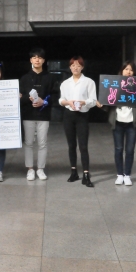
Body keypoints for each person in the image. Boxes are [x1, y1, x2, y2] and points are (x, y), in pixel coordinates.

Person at [96, 61, 136, 185]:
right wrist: (101, 105)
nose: (128, 72)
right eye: (126, 69)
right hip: (117, 122)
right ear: (122, 71)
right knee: (118, 149)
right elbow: (108, 103)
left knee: (130, 149)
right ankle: (119, 174)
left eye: (131, 70)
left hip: (133, 122)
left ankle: (127, 174)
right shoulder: (115, 84)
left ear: (134, 73)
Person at [59, 56, 97, 187]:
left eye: (78, 65)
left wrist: (84, 102)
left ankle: (86, 174)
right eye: (73, 65)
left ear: (82, 67)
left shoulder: (89, 82)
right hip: (69, 115)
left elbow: (93, 100)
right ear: (70, 67)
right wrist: (68, 102)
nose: (76, 67)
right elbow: (61, 100)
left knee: (83, 146)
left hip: (82, 115)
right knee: (71, 145)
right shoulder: (65, 83)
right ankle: (73, 171)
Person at [19, 48, 57, 181]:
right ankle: (30, 169)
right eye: (34, 57)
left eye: (40, 57)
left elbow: (55, 95)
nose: (37, 60)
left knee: (42, 143)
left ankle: (40, 169)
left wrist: (44, 101)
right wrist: (27, 99)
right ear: (31, 60)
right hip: (28, 115)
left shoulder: (49, 77)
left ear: (43, 60)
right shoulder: (24, 78)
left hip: (44, 115)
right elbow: (19, 97)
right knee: (28, 143)